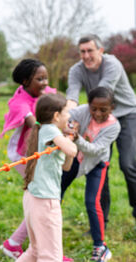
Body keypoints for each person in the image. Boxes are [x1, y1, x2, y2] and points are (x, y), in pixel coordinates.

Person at [66, 34, 136, 223]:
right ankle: (100, 219)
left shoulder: (112, 65)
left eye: (90, 50)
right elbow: (72, 97)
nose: (86, 55)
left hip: (126, 114)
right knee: (99, 164)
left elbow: (103, 94)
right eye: (82, 52)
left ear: (101, 51)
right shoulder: (76, 70)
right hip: (98, 114)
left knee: (128, 164)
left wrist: (85, 116)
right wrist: (70, 121)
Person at [0, 58, 62, 259]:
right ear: (25, 81)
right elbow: (36, 125)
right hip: (22, 155)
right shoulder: (19, 102)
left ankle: (17, 243)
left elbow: (61, 104)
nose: (45, 83)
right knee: (40, 198)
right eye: (39, 79)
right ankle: (27, 246)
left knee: (41, 199)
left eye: (46, 78)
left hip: (39, 151)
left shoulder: (45, 93)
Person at [16, 93, 77, 262]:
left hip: (34, 198)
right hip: (45, 201)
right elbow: (72, 150)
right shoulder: (50, 130)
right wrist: (69, 141)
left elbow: (66, 166)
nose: (69, 116)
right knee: (51, 256)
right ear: (57, 116)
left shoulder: (46, 132)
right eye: (66, 112)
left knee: (35, 251)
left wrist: (68, 141)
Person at [62, 87, 120, 261]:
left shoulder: (113, 126)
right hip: (76, 158)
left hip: (97, 164)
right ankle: (47, 232)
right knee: (55, 191)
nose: (97, 113)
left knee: (91, 202)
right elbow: (67, 117)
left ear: (112, 108)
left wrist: (76, 137)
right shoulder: (84, 111)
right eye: (93, 108)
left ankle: (100, 246)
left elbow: (95, 150)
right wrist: (70, 126)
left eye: (103, 109)